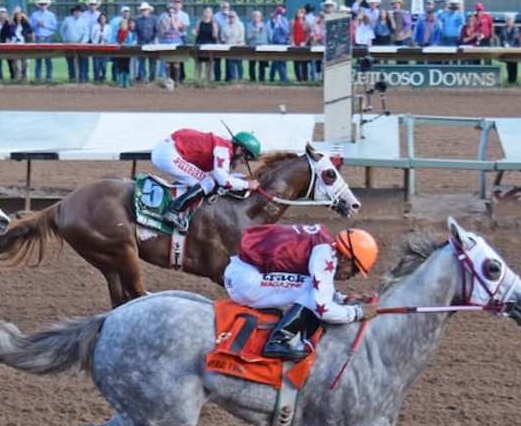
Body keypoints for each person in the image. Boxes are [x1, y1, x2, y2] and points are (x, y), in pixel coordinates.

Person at [224, 224, 379, 360]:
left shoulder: (325, 244)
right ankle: (280, 340)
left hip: (244, 271)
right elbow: (322, 308)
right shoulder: (325, 256)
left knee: (310, 286)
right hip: (244, 281)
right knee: (310, 289)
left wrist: (342, 299)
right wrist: (357, 313)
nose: (350, 277)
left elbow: (318, 284)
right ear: (345, 258)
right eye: (354, 271)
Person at [150, 128, 262, 230]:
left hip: (169, 149)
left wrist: (243, 180)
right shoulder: (223, 150)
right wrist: (247, 185)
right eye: (245, 158)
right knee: (207, 182)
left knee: (200, 179)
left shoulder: (225, 147)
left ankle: (175, 202)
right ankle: (173, 211)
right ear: (240, 150)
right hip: (168, 154)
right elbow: (223, 180)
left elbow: (223, 175)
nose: (243, 163)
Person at [29, 0, 57, 82]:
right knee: (38, 59)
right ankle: (38, 78)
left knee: (48, 59)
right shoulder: (34, 15)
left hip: (48, 38)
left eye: (44, 4)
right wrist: (37, 24)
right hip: (38, 38)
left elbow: (55, 27)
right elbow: (31, 26)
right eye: (41, 4)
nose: (43, 5)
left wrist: (44, 25)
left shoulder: (51, 15)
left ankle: (49, 77)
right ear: (39, 5)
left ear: (47, 5)